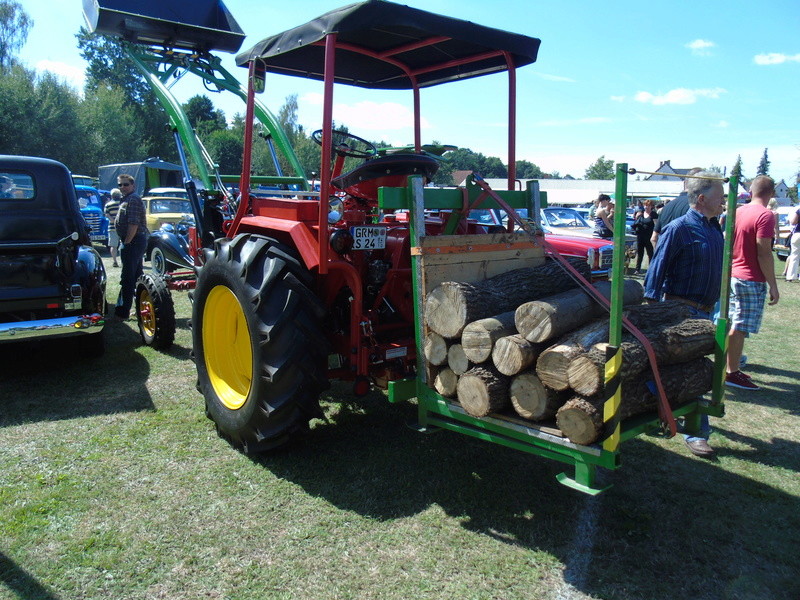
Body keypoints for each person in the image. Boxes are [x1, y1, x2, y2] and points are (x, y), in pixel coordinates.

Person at [643, 170, 725, 458]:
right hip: (681, 311)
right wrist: (652, 310)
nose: (724, 202)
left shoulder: (714, 228)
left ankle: (669, 414)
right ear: (702, 198)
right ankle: (696, 433)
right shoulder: (679, 228)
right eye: (720, 197)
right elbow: (656, 270)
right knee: (690, 370)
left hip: (707, 311)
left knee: (690, 370)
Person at [724, 176, 780, 391]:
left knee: (732, 323)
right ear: (772, 193)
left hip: (733, 275)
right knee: (739, 327)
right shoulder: (765, 215)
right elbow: (763, 251)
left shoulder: (737, 211)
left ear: (751, 190)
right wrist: (773, 285)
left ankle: (730, 367)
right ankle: (731, 372)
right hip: (749, 278)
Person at [112, 175, 147, 321]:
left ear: (133, 185)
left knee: (127, 278)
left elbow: (134, 224)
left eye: (125, 185)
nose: (122, 187)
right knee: (137, 276)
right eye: (120, 185)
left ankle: (123, 311)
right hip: (132, 242)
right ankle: (141, 307)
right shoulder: (126, 199)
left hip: (133, 242)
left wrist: (126, 243)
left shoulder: (133, 199)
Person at [650, 167, 703, 248]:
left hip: (666, 256)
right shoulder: (698, 206)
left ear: (684, 183)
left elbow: (654, 238)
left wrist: (661, 256)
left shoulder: (666, 207)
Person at [632, 198, 657, 274]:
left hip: (649, 237)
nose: (646, 207)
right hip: (640, 236)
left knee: (650, 253)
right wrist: (636, 217)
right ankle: (637, 269)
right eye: (645, 205)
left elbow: (656, 225)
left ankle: (651, 269)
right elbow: (636, 223)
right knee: (640, 253)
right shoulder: (641, 213)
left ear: (651, 206)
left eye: (648, 205)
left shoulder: (654, 214)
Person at [104, 188, 122, 267]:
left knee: (113, 246)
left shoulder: (108, 205)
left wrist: (114, 221)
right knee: (124, 244)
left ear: (112, 196)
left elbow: (107, 215)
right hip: (123, 227)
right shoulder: (123, 204)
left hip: (112, 228)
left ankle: (115, 261)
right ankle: (123, 261)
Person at [785, 206, 800, 282]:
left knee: (794, 256)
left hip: (798, 234)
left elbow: (793, 222)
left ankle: (790, 276)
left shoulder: (799, 210)